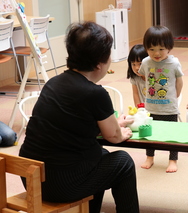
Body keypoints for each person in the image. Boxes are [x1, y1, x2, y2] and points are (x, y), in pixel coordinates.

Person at [19, 22, 139, 213]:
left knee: (102, 157)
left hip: (32, 178)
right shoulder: (95, 93)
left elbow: (71, 122)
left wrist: (114, 124)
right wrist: (120, 131)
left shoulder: (53, 83)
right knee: (123, 162)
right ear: (100, 63)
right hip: (60, 184)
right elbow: (114, 137)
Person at [139, 25, 183, 173]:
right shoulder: (145, 62)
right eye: (151, 49)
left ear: (169, 47)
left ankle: (172, 160)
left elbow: (179, 81)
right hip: (151, 107)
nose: (156, 53)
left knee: (172, 135)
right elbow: (144, 77)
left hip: (169, 107)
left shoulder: (173, 63)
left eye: (161, 49)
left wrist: (175, 96)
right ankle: (150, 157)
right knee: (149, 133)